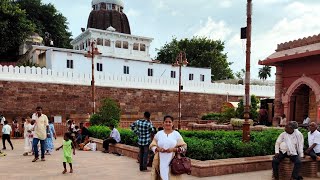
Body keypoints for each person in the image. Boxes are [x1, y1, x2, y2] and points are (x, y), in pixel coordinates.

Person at [149, 115, 187, 180]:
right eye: (166, 122)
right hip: (160, 160)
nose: (168, 123)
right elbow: (152, 145)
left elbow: (184, 147)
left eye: (169, 122)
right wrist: (158, 149)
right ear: (163, 123)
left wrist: (174, 149)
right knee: (162, 176)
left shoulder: (176, 134)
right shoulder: (159, 134)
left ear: (172, 123)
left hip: (173, 161)